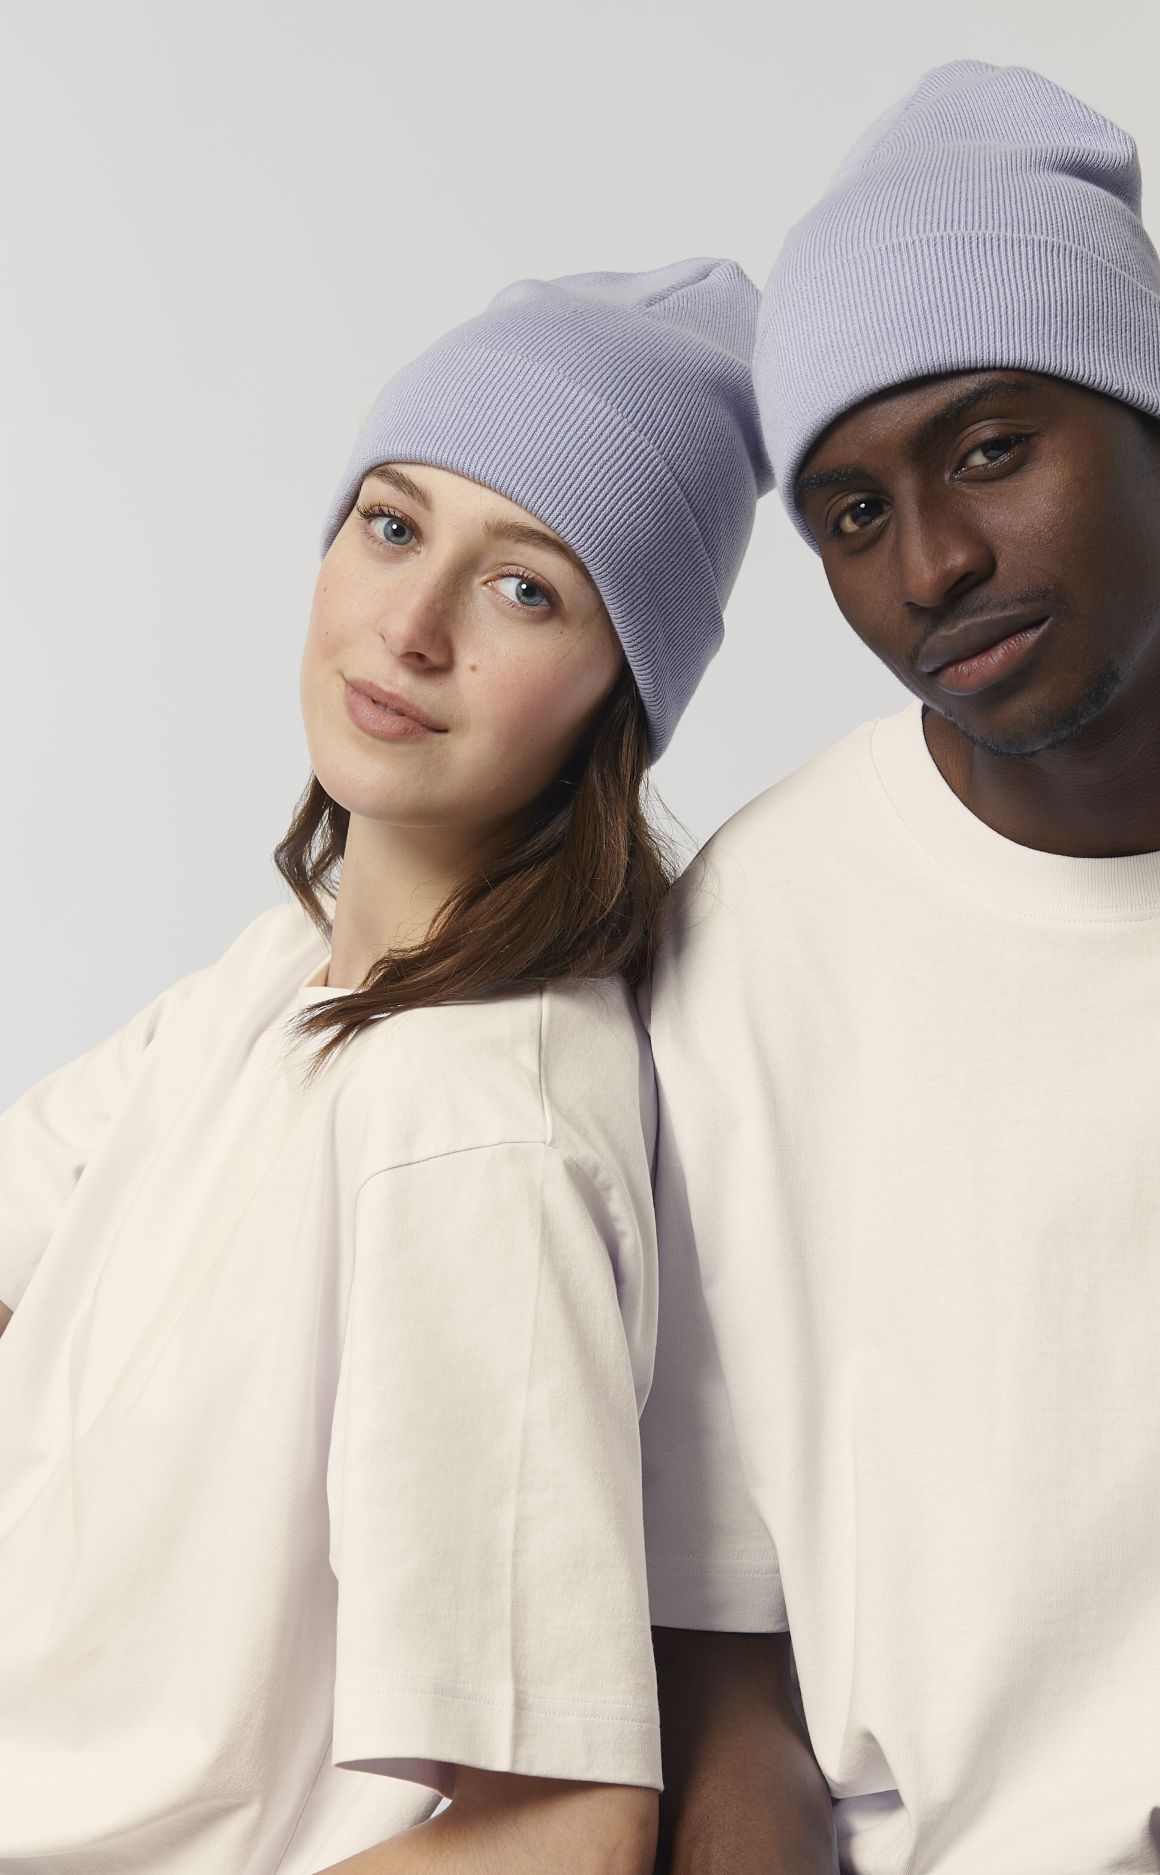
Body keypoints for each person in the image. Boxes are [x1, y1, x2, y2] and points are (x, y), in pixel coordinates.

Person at [639, 62, 1160, 1875]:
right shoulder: (756, 943)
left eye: (990, 449)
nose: (934, 563)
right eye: (851, 515)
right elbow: (724, 1657)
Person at [0, 257, 769, 1874]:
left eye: (526, 590)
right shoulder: (282, 974)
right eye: (394, 524)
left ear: (620, 690)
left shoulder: (475, 1121)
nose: (409, 629)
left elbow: (563, 1832)